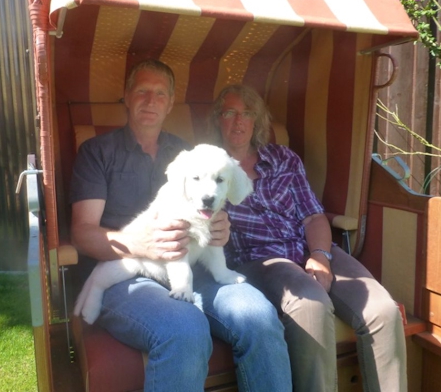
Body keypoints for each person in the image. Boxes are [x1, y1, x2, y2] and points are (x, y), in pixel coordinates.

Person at [70, 60, 292, 392]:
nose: (151, 100)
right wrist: (141, 243)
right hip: (128, 272)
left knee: (259, 316)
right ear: (126, 96)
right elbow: (83, 233)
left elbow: (211, 202)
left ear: (171, 103)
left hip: (194, 268)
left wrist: (220, 230)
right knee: (185, 328)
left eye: (161, 94)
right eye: (142, 91)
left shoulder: (186, 153)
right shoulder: (98, 152)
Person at [208, 84, 407, 392]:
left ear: (256, 121)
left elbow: (313, 216)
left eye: (246, 114)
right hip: (260, 260)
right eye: (230, 113)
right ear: (217, 119)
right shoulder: (208, 168)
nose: (238, 121)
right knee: (311, 305)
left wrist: (320, 256)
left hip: (309, 246)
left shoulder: (284, 159)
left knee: (384, 311)